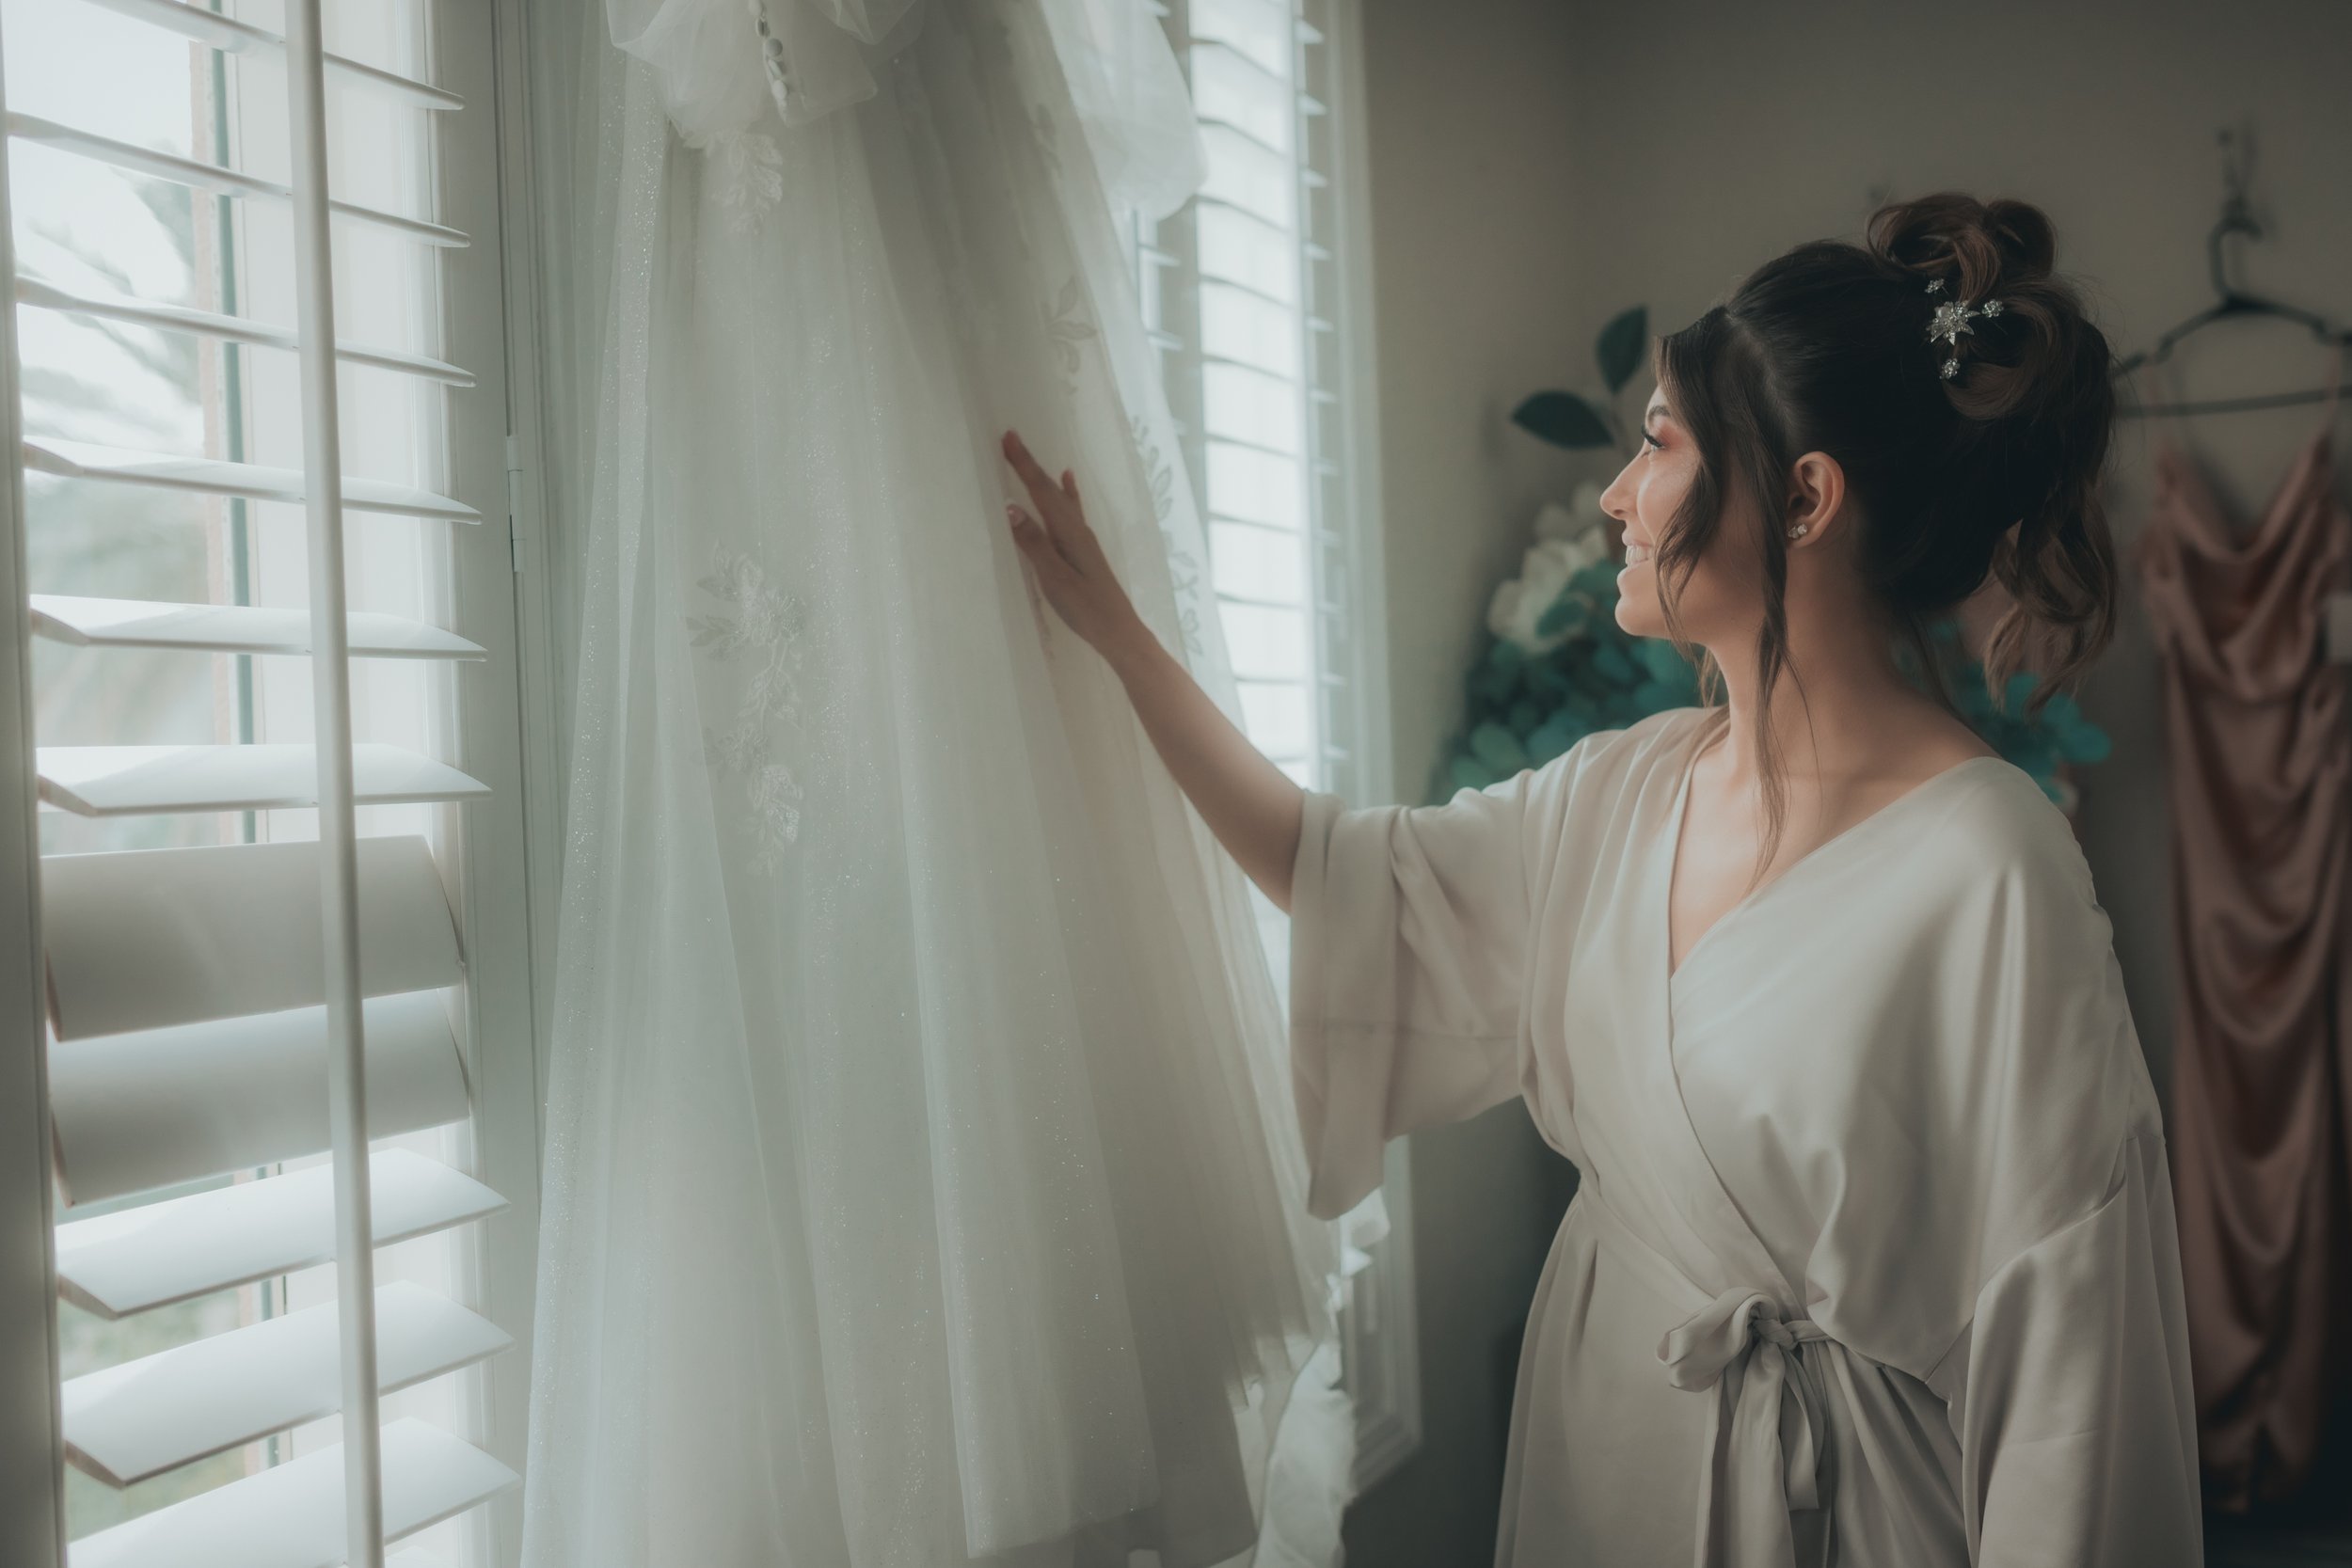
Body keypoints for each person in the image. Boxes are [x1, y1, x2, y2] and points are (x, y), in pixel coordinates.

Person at [1001, 191, 2202, 1567]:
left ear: (1806, 497)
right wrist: (1120, 642)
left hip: (1843, 1514)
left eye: (1659, 444)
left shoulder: (1993, 870)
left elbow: (2073, 1361)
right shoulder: (1625, 791)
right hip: (1601, 1453)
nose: (1619, 496)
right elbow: (1346, 877)